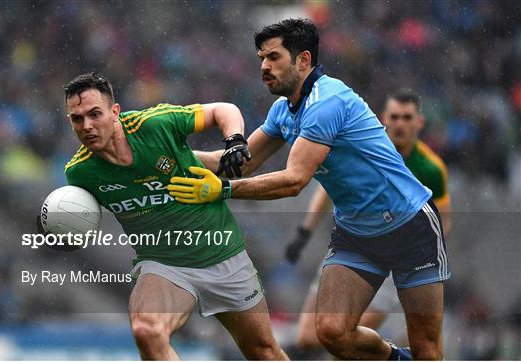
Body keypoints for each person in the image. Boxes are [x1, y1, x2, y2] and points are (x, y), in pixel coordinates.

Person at [169, 19, 450, 360]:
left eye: (273, 57)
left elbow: (294, 180)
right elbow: (236, 163)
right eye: (261, 58)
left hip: (410, 227)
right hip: (357, 234)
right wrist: (168, 156)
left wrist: (222, 191)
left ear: (303, 60)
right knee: (330, 332)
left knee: (428, 349)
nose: (264, 67)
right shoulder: (282, 111)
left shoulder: (326, 102)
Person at [56, 73, 287, 360]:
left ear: (115, 112)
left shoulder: (155, 124)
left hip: (223, 255)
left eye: (94, 114)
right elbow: (79, 220)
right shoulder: (79, 173)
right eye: (77, 119)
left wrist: (235, 140)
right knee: (146, 330)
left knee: (263, 352)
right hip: (164, 266)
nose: (87, 126)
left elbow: (222, 110)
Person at [285, 89, 452, 352]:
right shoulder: (365, 143)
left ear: (419, 122)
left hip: (404, 249)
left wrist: (425, 264)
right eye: (394, 117)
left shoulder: (431, 168)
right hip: (356, 243)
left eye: (407, 118)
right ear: (384, 118)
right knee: (310, 337)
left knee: (358, 339)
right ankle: (394, 356)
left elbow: (444, 220)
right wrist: (305, 232)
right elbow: (328, 186)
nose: (400, 124)